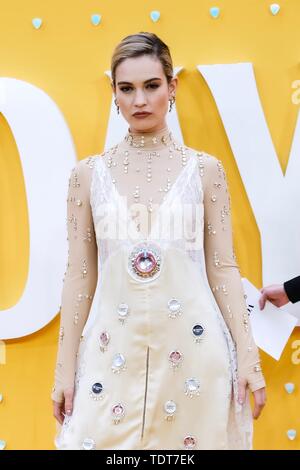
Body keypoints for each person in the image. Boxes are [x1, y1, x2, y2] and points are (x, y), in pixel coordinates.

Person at [51, 32, 266, 450]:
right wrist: (64, 371)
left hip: (195, 358)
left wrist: (248, 357)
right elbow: (79, 277)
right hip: (109, 357)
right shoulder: (87, 176)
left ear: (172, 86)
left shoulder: (206, 171)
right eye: (126, 88)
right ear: (113, 93)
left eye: (151, 85)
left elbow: (223, 267)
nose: (140, 101)